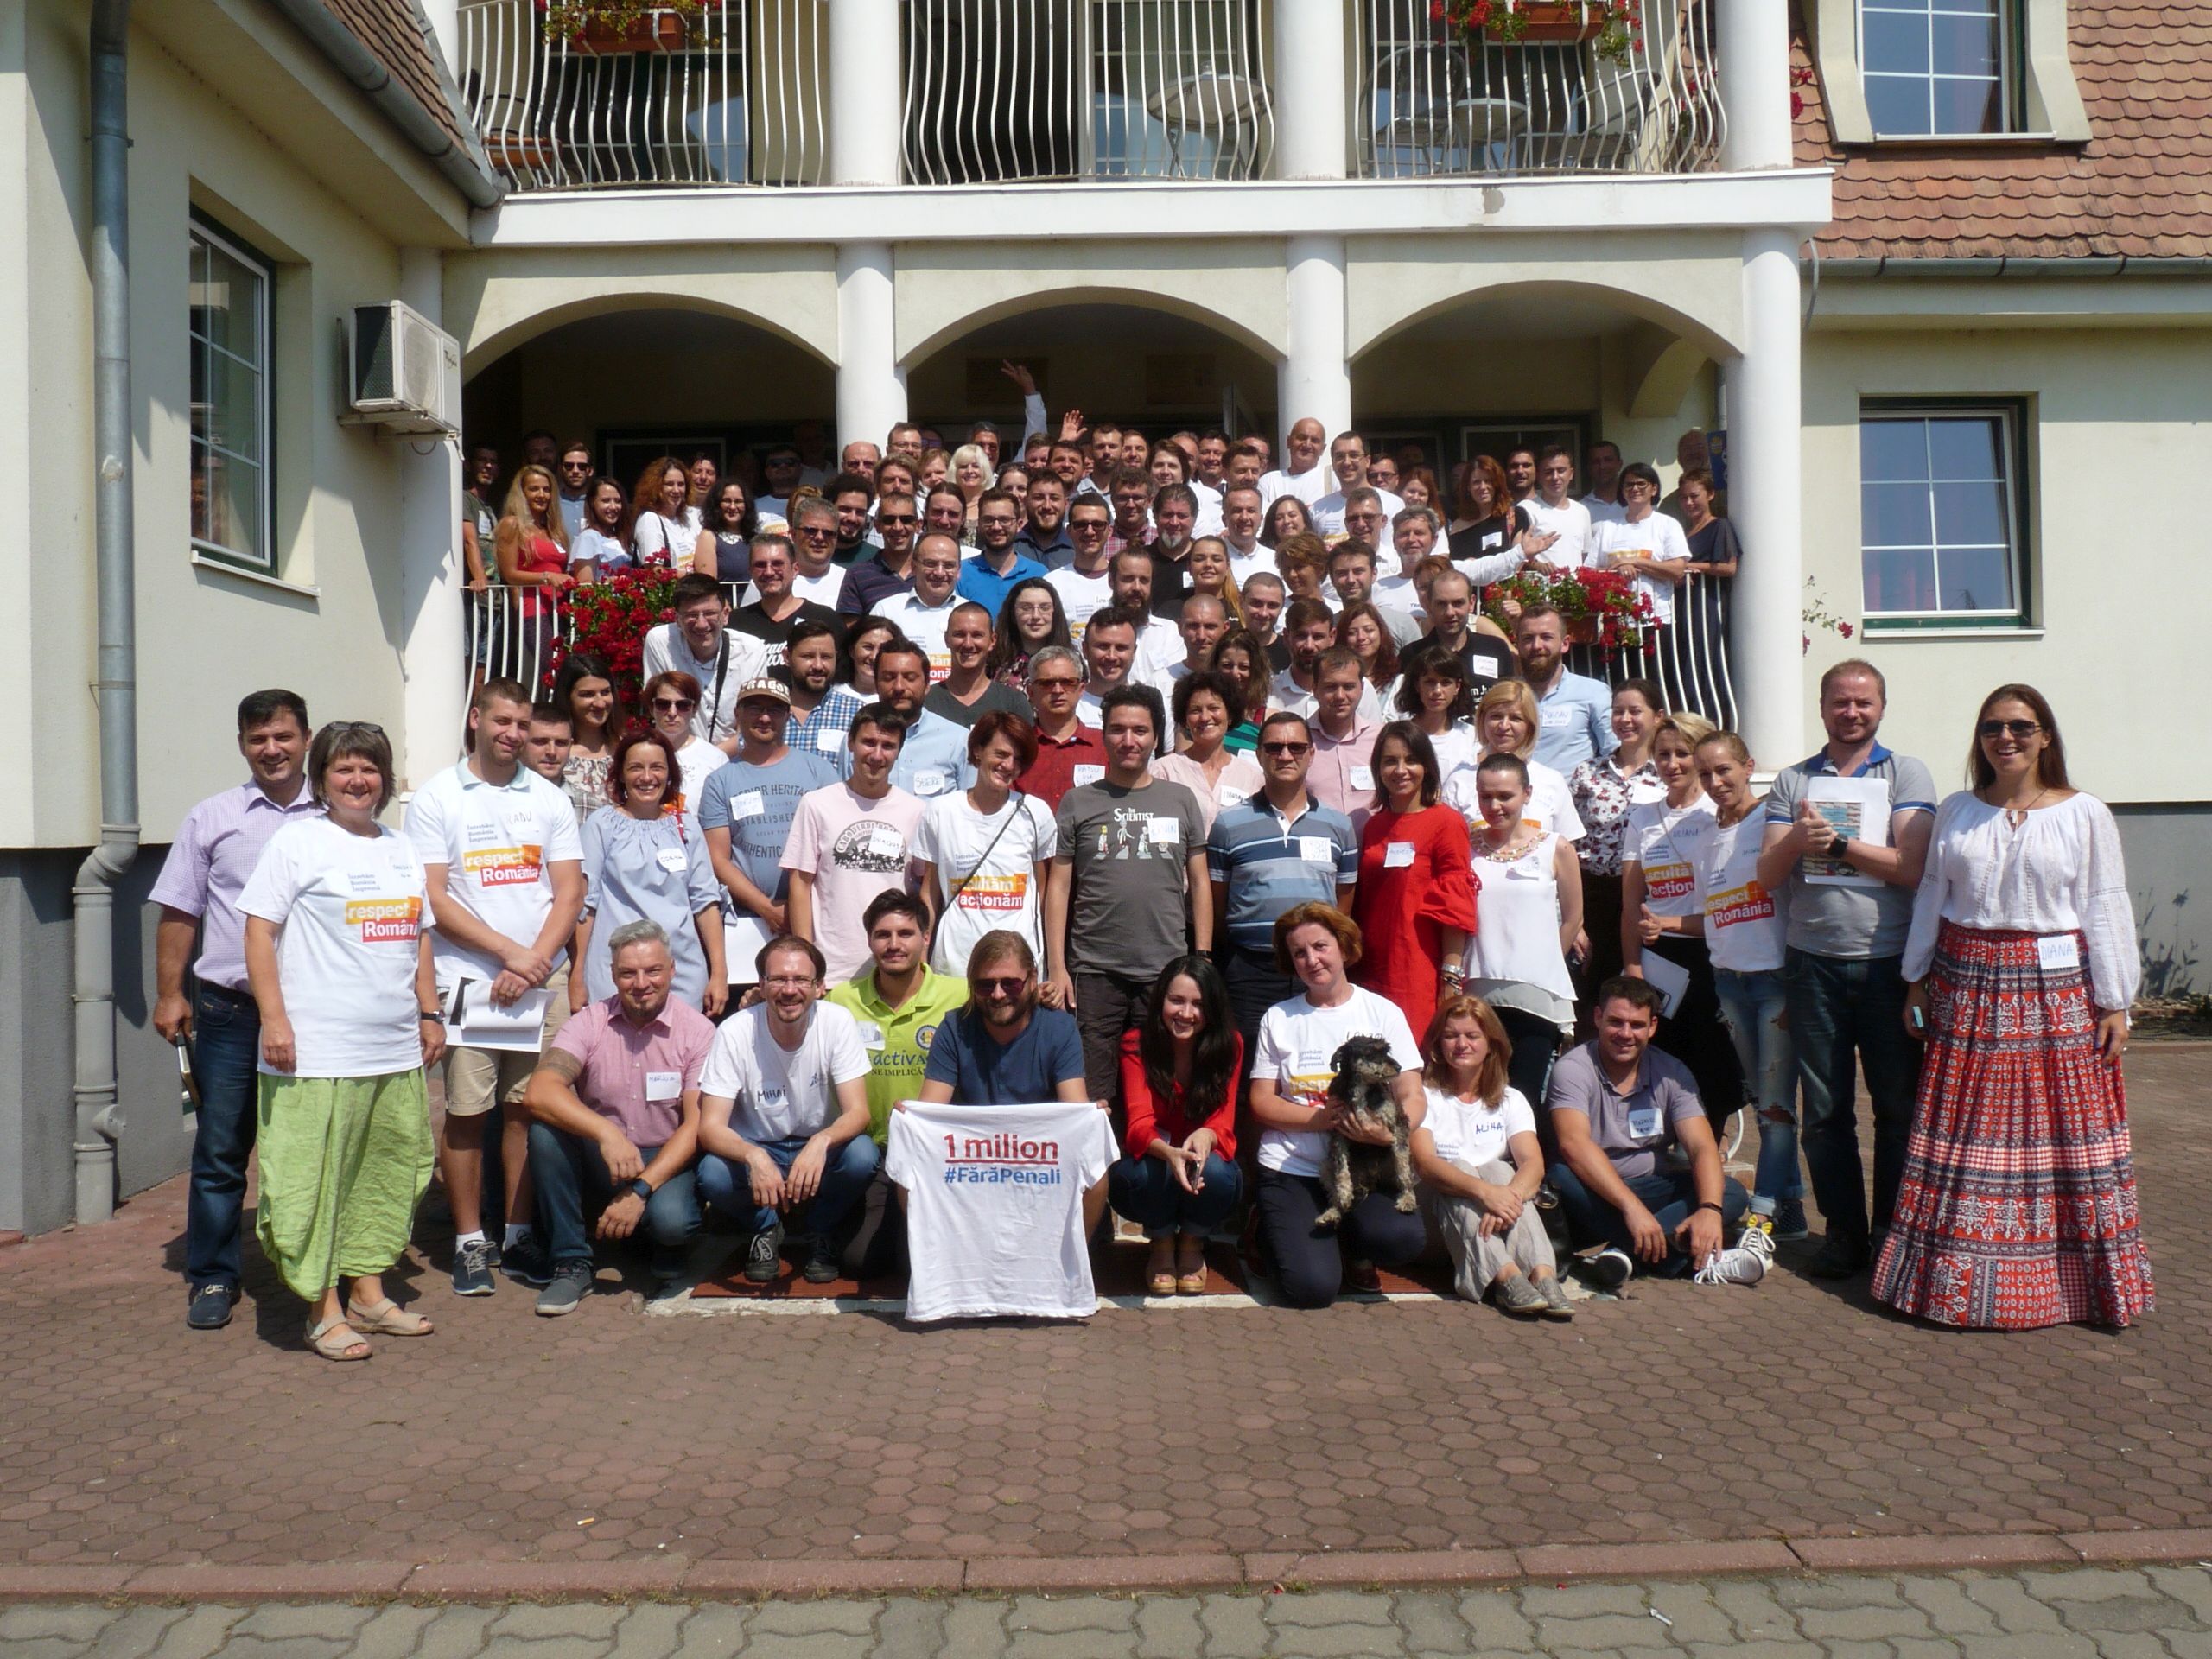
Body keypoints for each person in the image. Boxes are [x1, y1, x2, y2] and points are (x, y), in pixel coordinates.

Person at [1879, 687, 2152, 1330]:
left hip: (2059, 995)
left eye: (2021, 727)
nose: (2006, 738)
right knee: (1969, 1133)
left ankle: (2073, 1289)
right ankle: (1959, 1287)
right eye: (1993, 727)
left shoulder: (2085, 813)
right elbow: (1932, 895)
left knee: (2064, 1133)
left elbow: (2105, 902)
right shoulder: (1956, 810)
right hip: (1967, 985)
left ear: (2045, 736)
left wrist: (2115, 1002)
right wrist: (1916, 979)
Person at [238, 721, 440, 1361]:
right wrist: (274, 1019)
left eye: (370, 769)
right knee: (315, 1180)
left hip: (392, 1049)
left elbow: (419, 936)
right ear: (322, 779)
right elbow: (259, 933)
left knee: (383, 1174)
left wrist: (430, 1012)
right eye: (344, 769)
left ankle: (369, 1296)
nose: (358, 780)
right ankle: (321, 1310)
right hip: (316, 1051)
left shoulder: (401, 847)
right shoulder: (298, 842)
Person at [1756, 660, 1937, 1279]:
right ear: (1822, 707)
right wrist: (1796, 840)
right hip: (1813, 967)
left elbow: (1911, 868)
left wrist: (1836, 845)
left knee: (1897, 1108)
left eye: (1863, 702)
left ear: (1882, 707)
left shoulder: (1905, 773)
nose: (1851, 712)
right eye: (1840, 701)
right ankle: (1843, 1232)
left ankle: (1891, 1232)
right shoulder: (1793, 780)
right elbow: (1768, 874)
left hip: (1889, 965)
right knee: (1825, 1112)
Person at [406, 680, 585, 1296]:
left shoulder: (549, 798)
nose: (512, 734)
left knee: (526, 1110)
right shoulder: (437, 797)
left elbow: (569, 891)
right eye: (502, 721)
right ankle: (468, 1242)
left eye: (522, 724)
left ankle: (517, 1234)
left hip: (539, 979)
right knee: (466, 1113)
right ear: (476, 719)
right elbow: (433, 897)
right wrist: (510, 954)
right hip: (470, 980)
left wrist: (534, 962)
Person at [153, 689, 324, 1330]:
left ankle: (313, 1269)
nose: (272, 750)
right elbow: (180, 910)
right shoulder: (212, 817)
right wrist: (170, 993)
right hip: (229, 1011)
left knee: (309, 1144)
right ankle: (214, 1276)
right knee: (222, 1148)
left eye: (283, 736)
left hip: (314, 1012)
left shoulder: (335, 813)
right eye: (258, 740)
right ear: (242, 746)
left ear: (306, 739)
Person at [522, 920, 709, 1314]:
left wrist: (640, 1190)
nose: (641, 983)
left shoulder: (698, 1032)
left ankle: (657, 1237)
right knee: (544, 1133)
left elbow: (696, 1126)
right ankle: (571, 1262)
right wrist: (606, 1133)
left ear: (672, 970)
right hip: (603, 1155)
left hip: (665, 1157)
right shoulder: (588, 1022)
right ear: (612, 975)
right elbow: (540, 1091)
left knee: (672, 1223)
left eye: (653, 971)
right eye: (628, 973)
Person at [1249, 905, 1428, 1308]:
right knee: (1311, 1290)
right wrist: (1322, 1119)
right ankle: (1266, 1228)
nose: (1311, 960)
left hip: (1365, 1166)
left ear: (1344, 948)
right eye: (1299, 953)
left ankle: (1350, 1243)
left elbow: (1413, 1094)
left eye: (1320, 947)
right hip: (1295, 1168)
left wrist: (1390, 1133)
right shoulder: (1279, 1018)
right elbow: (1261, 1102)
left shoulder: (1383, 1012)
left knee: (1402, 1239)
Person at [1046, 686, 1212, 1099]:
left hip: (1164, 968)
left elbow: (1200, 882)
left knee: (1160, 1088)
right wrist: (1057, 966)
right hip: (1093, 969)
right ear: (1103, 734)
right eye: (1118, 729)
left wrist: (1202, 958)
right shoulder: (1078, 802)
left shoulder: (1180, 799)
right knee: (1091, 1092)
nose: (1128, 740)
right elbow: (1059, 887)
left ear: (1156, 737)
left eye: (1140, 730)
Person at [1548, 977, 1757, 1287]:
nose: (1626, 1034)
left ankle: (1621, 1254)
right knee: (1561, 1175)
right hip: (1590, 1194)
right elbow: (1574, 1145)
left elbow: (1701, 1147)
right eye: (1616, 1022)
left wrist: (1710, 1210)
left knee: (1729, 1193)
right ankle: (1691, 1261)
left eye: (1637, 1025)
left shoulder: (1672, 1073)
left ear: (1652, 1026)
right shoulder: (1573, 1068)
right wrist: (1631, 1208)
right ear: (1597, 1018)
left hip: (1650, 1189)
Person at [696, 934, 878, 1285]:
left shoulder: (837, 1022)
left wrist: (821, 1141)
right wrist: (753, 1156)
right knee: (712, 1174)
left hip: (818, 1144)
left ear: (820, 987)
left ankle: (820, 1229)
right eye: (778, 979)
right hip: (760, 1144)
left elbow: (858, 1112)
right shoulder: (734, 1031)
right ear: (762, 984)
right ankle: (764, 1228)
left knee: (863, 1156)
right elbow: (711, 1127)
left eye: (801, 980)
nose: (790, 990)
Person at [1691, 731, 1803, 1241]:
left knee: (1776, 1107)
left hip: (1774, 981)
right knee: (1763, 1103)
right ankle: (1791, 1206)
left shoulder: (1772, 822)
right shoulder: (1704, 837)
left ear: (1748, 767)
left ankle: (1762, 1216)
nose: (1716, 782)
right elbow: (1709, 915)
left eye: (1724, 770)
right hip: (1729, 982)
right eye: (1706, 774)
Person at [1205, 712, 1360, 1075]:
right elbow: (1218, 902)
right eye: (1274, 747)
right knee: (1248, 1070)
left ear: (1311, 754)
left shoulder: (1339, 826)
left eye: (1296, 747)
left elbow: (1344, 903)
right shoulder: (1228, 824)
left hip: (1315, 970)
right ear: (1259, 754)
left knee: (1315, 1065)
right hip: (1250, 971)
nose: (1285, 755)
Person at [1618, 712, 1740, 1139]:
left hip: (1712, 953)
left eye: (1682, 753)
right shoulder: (1643, 817)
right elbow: (1631, 903)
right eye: (1662, 754)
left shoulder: (1719, 812)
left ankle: (1709, 1149)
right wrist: (1633, 967)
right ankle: (1662, 1150)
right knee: (1659, 1061)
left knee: (1712, 1062)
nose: (1671, 764)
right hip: (1660, 956)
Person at [1413, 994, 1570, 1318]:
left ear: (1491, 1044)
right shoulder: (1425, 1096)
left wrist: (1505, 1201)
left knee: (1500, 1169)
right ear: (1439, 1044)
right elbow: (1426, 1164)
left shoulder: (1511, 1099)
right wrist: (1486, 1194)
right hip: (1435, 1218)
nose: (1462, 1044)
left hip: (1496, 1216)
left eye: (1472, 1036)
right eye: (1451, 1036)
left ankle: (1542, 1275)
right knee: (1457, 1168)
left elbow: (1533, 1164)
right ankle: (1506, 1278)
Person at [697, 676, 838, 1003]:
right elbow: (718, 858)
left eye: (774, 710)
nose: (764, 717)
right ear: (738, 714)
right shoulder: (720, 781)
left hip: (814, 918)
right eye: (755, 709)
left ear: (788, 716)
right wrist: (768, 909)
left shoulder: (819, 771)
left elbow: (833, 844)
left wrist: (797, 910)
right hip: (749, 923)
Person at [1459, 755, 1582, 1131]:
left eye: (1505, 796)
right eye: (1485, 796)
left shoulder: (1556, 847)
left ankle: (1528, 1165)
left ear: (1527, 793)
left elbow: (1573, 918)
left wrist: (1545, 963)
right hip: (1478, 990)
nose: (1494, 806)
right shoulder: (1464, 848)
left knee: (1525, 1096)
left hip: (1536, 996)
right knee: (1479, 1092)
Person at [1109, 957, 1243, 1295]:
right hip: (1157, 1157)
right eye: (1177, 1001)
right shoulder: (1135, 1043)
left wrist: (1207, 1134)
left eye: (1198, 1004)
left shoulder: (1231, 1045)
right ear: (1160, 1002)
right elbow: (1138, 1124)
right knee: (1140, 1176)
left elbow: (1224, 1121)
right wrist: (1169, 1153)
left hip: (1202, 1159)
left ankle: (1192, 1242)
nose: (1186, 1013)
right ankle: (1162, 1242)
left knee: (1218, 1173)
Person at [573, 729, 727, 1017]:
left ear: (670, 774)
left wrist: (719, 972)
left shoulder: (687, 827)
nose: (647, 777)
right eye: (636, 768)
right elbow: (586, 905)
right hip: (616, 975)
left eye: (657, 767)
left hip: (682, 973)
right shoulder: (600, 825)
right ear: (621, 774)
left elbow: (706, 902)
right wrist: (577, 973)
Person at [1351, 721, 1478, 1044]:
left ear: (1427, 766)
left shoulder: (1446, 823)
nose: (1400, 770)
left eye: (1411, 760)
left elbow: (1455, 905)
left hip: (1419, 969)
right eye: (1390, 761)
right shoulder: (1374, 826)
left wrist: (1450, 977)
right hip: (1372, 966)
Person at [785, 703, 927, 986]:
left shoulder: (917, 811)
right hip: (834, 970)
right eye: (868, 742)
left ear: (899, 751)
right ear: (851, 742)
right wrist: (808, 962)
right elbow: (800, 884)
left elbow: (924, 889)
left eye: (888, 746)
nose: (877, 755)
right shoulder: (816, 805)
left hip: (895, 967)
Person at [912, 712, 1057, 976]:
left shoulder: (1036, 813)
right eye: (1001, 754)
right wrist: (921, 956)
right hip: (954, 964)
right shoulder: (941, 811)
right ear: (978, 751)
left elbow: (1042, 893)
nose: (1008, 765)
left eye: (1018, 759)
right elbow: (930, 893)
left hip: (1017, 969)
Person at [827, 891, 969, 1147]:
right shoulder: (841, 999)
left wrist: (1042, 996)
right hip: (864, 1147)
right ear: (869, 941)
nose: (894, 945)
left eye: (905, 934)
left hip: (935, 1146)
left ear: (926, 938)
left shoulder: (962, 995)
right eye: (882, 935)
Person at [1567, 679, 1668, 991]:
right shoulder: (1588, 772)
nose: (1625, 720)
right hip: (1594, 893)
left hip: (1650, 894)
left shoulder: (1669, 773)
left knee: (1647, 987)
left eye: (1635, 711)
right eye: (1617, 711)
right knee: (1592, 986)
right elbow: (1568, 837)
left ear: (1658, 717)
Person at [639, 574, 772, 757]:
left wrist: (709, 760)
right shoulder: (660, 641)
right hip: (678, 756)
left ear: (725, 615)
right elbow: (662, 713)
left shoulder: (751, 650)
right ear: (677, 619)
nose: (701, 624)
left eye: (710, 614)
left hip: (736, 758)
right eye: (691, 615)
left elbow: (752, 723)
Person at [1442, 679, 1586, 846]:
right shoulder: (1459, 782)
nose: (1504, 726)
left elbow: (1567, 847)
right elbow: (1445, 845)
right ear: (1482, 720)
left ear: (1529, 726)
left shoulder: (1552, 781)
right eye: (1496, 716)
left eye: (1515, 718)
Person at [1667, 467, 1741, 724]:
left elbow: (1729, 567)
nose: (1689, 502)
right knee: (1685, 662)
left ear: (1710, 495)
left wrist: (1688, 567)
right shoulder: (1684, 531)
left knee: (1705, 661)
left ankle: (1709, 721)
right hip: (1684, 605)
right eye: (1684, 497)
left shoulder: (1719, 526)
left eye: (1694, 496)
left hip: (1707, 605)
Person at [1151, 671, 1263, 836]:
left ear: (1230, 715)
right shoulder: (1163, 771)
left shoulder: (1252, 777)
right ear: (1185, 720)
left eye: (1213, 708)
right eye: (1195, 710)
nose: (1204, 717)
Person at [866, 639, 975, 800]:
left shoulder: (959, 741)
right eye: (889, 678)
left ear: (927, 685)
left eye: (910, 678)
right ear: (876, 684)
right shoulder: (859, 742)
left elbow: (971, 807)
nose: (899, 687)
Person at [1588, 462, 1691, 626]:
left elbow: (1678, 569)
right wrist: (1617, 569)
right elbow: (1589, 572)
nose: (1635, 489)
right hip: (1614, 618)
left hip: (1656, 619)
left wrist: (1635, 561)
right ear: (1622, 491)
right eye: (1629, 485)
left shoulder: (1668, 525)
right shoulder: (1606, 528)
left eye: (1641, 483)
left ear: (1654, 489)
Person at [494, 464, 576, 670]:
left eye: (546, 489)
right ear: (522, 493)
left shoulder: (553, 529)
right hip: (535, 610)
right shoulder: (512, 524)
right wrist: (546, 577)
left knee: (566, 671)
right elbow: (510, 574)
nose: (542, 495)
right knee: (553, 670)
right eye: (534, 489)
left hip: (561, 609)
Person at [1513, 606, 1616, 772]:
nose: (1536, 645)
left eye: (1546, 637)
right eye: (1527, 638)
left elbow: (1615, 751)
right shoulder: (1505, 694)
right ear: (1517, 644)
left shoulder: (1593, 692)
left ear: (1565, 643)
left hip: (1572, 788)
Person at [1015, 646, 1108, 808]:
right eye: (1046, 683)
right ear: (1030, 692)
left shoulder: (1106, 745)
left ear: (1081, 689)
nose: (1058, 690)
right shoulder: (1016, 746)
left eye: (1067, 682)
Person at [1303, 650, 1383, 833]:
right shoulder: (1299, 741)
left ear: (1361, 688)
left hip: (1373, 847)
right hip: (1320, 845)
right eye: (1330, 687)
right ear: (1315, 689)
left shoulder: (1381, 739)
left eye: (1348, 687)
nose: (1340, 696)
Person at [729, 534, 840, 662]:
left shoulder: (825, 619)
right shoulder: (735, 624)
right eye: (760, 565)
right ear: (751, 572)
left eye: (777, 564)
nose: (769, 572)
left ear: (795, 569)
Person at [871, 534, 965, 683]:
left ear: (958, 570)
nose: (939, 573)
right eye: (930, 564)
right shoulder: (886, 610)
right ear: (914, 567)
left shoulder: (971, 615)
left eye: (948, 565)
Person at [925, 602, 1033, 729]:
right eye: (959, 635)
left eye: (977, 635)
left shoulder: (1013, 703)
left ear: (992, 640)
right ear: (946, 639)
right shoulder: (925, 702)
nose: (968, 644)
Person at [641, 670, 726, 820]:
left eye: (683, 705)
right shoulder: (634, 753)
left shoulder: (715, 759)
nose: (672, 713)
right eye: (663, 704)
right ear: (651, 708)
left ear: (694, 709)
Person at [1395, 643, 1480, 787]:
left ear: (1457, 687)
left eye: (1446, 683)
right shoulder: (1399, 735)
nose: (1437, 691)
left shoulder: (1472, 737)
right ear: (1417, 685)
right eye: (1430, 682)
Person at [550, 653, 620, 823]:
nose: (600, 703)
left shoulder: (625, 749)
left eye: (605, 692)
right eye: (588, 694)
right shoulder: (553, 753)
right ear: (567, 697)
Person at [782, 618, 866, 760]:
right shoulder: (768, 713)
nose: (818, 666)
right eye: (808, 656)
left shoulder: (857, 713)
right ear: (787, 657)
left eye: (826, 657)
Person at [957, 487, 1046, 614]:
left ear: (1019, 525)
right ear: (979, 524)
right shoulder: (960, 574)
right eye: (988, 520)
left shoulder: (1039, 574)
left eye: (1005, 520)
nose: (996, 527)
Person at [839, 489, 919, 616]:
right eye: (889, 520)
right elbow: (851, 627)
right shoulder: (858, 576)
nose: (898, 527)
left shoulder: (933, 573)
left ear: (918, 525)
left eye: (906, 520)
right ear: (877, 526)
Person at [1046, 494, 1116, 641]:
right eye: (1080, 525)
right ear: (1068, 531)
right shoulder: (1052, 583)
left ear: (1109, 531)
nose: (1090, 532)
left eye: (1098, 525)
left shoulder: (1123, 581)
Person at [987, 576, 1072, 690]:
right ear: (1013, 614)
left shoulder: (1072, 661)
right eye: (1026, 608)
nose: (1036, 616)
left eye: (1044, 608)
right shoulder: (991, 662)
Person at [1521, 447, 1593, 570]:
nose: (1555, 477)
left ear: (1571, 474)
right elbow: (1516, 554)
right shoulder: (1526, 509)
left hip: (1574, 582)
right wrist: (1537, 565)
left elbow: (1584, 555)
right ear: (1539, 476)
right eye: (1548, 472)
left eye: (1561, 470)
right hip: (1539, 582)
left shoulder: (1582, 512)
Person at [630, 456, 702, 572]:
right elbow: (655, 571)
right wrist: (691, 577)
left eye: (681, 484)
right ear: (656, 487)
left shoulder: (690, 517)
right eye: (669, 484)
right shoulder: (650, 519)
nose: (676, 490)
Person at [569, 477, 632, 581]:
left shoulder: (622, 537)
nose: (613, 507)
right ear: (592, 502)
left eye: (617, 501)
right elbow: (584, 584)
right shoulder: (588, 537)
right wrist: (611, 581)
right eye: (606, 501)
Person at [695, 479, 757, 584]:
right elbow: (708, 585)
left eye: (738, 501)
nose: (732, 507)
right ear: (717, 504)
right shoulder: (708, 536)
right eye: (727, 501)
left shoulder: (755, 538)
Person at [1259, 416, 1331, 508]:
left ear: (1323, 449)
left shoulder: (1332, 480)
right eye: (1302, 438)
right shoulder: (1269, 482)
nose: (1307, 445)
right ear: (1288, 442)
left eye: (1314, 440)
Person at [1580, 439, 1626, 525]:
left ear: (1620, 464)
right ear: (1589, 468)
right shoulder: (1581, 509)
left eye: (1608, 460)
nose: (1602, 467)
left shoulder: (1637, 503)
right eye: (1596, 462)